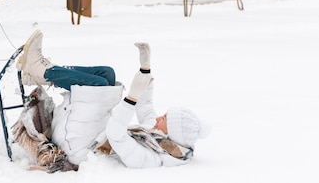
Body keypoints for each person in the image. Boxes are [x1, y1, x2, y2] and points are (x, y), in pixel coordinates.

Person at [16, 29, 210, 168]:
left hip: (81, 150)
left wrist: (131, 97)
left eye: (165, 119)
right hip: (94, 134)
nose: (159, 118)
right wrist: (145, 69)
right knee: (107, 74)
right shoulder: (160, 137)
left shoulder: (151, 157)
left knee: (99, 86)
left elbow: (116, 134)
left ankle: (42, 70)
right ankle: (42, 73)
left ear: (174, 132)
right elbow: (147, 107)